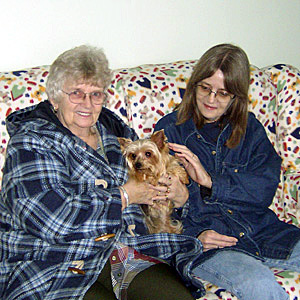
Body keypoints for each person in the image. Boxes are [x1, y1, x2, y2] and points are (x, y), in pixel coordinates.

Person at [0, 45, 201, 300]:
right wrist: (124, 196)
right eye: (76, 93)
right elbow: (50, 219)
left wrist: (179, 197)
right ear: (54, 97)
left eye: (96, 94)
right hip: (54, 261)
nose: (88, 103)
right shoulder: (31, 142)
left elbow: (152, 190)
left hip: (124, 252)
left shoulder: (115, 133)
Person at [154, 43, 300, 300]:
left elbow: (263, 189)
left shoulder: (250, 129)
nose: (211, 100)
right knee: (260, 285)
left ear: (236, 97)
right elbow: (155, 206)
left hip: (262, 231)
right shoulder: (170, 132)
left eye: (222, 93)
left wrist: (210, 181)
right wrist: (194, 238)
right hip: (212, 245)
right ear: (194, 85)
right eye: (205, 88)